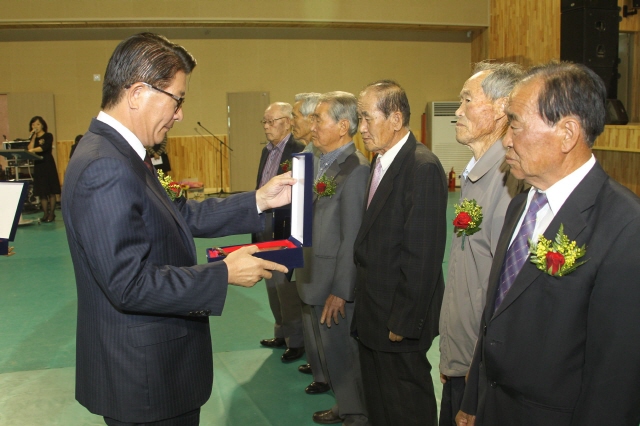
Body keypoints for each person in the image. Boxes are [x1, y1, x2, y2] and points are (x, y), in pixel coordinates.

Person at [62, 33, 293, 426]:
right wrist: (223, 274)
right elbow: (128, 284)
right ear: (137, 93)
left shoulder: (126, 154)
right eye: (177, 99)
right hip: (146, 381)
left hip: (156, 371)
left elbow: (180, 214)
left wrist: (258, 200)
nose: (180, 113)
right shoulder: (106, 166)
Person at [456, 62, 640, 426]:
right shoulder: (522, 202)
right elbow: (495, 315)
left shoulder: (623, 225)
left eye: (517, 124)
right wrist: (474, 399)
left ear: (567, 133)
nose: (506, 138)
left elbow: (615, 378)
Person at [353, 80, 447, 426]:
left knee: (407, 405)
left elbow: (422, 254)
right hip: (373, 312)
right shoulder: (379, 163)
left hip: (398, 320)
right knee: (379, 404)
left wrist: (404, 321)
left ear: (395, 118)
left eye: (366, 118)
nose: (361, 128)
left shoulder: (421, 167)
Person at [438, 62, 525, 426]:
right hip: (463, 361)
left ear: (502, 108)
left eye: (467, 99)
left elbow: (505, 296)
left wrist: (475, 377)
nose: (457, 111)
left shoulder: (510, 182)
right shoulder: (477, 174)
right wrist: (451, 358)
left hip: (482, 373)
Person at [296, 91, 370, 425]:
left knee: (343, 353)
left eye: (318, 119)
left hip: (333, 284)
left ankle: (356, 414)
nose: (311, 125)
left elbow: (353, 235)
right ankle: (345, 404)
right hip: (315, 274)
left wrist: (341, 289)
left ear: (343, 127)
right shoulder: (320, 162)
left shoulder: (354, 169)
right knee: (331, 352)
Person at [255, 102, 306, 362]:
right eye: (264, 122)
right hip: (264, 224)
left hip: (285, 228)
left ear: (287, 122)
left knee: (285, 286)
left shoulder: (298, 150)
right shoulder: (267, 151)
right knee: (270, 284)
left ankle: (296, 341)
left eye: (271, 121)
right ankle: (282, 332)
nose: (266, 126)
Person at [290, 91, 328, 390]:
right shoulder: (306, 155)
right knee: (307, 310)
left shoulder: (321, 157)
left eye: (298, 116)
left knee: (321, 316)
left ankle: (326, 372)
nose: (294, 122)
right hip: (304, 246)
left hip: (321, 253)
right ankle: (318, 366)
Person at [27, 116, 61, 223]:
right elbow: (29, 148)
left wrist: (33, 150)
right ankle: (45, 213)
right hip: (38, 165)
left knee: (51, 190)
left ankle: (52, 213)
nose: (35, 126)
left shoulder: (48, 136)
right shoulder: (34, 137)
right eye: (33, 124)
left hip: (47, 164)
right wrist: (33, 137)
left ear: (42, 125)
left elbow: (44, 148)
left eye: (38, 124)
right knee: (42, 191)